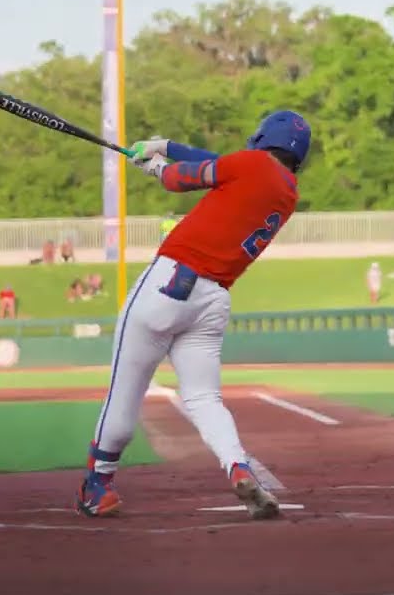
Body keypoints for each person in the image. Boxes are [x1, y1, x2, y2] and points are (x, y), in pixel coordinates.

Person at [74, 110, 310, 521]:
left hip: (169, 283)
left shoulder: (250, 165)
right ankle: (238, 466)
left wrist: (157, 167)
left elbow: (177, 180)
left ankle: (99, 486)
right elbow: (220, 165)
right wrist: (165, 146)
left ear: (262, 137)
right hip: (212, 300)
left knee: (124, 390)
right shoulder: (286, 190)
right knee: (204, 397)